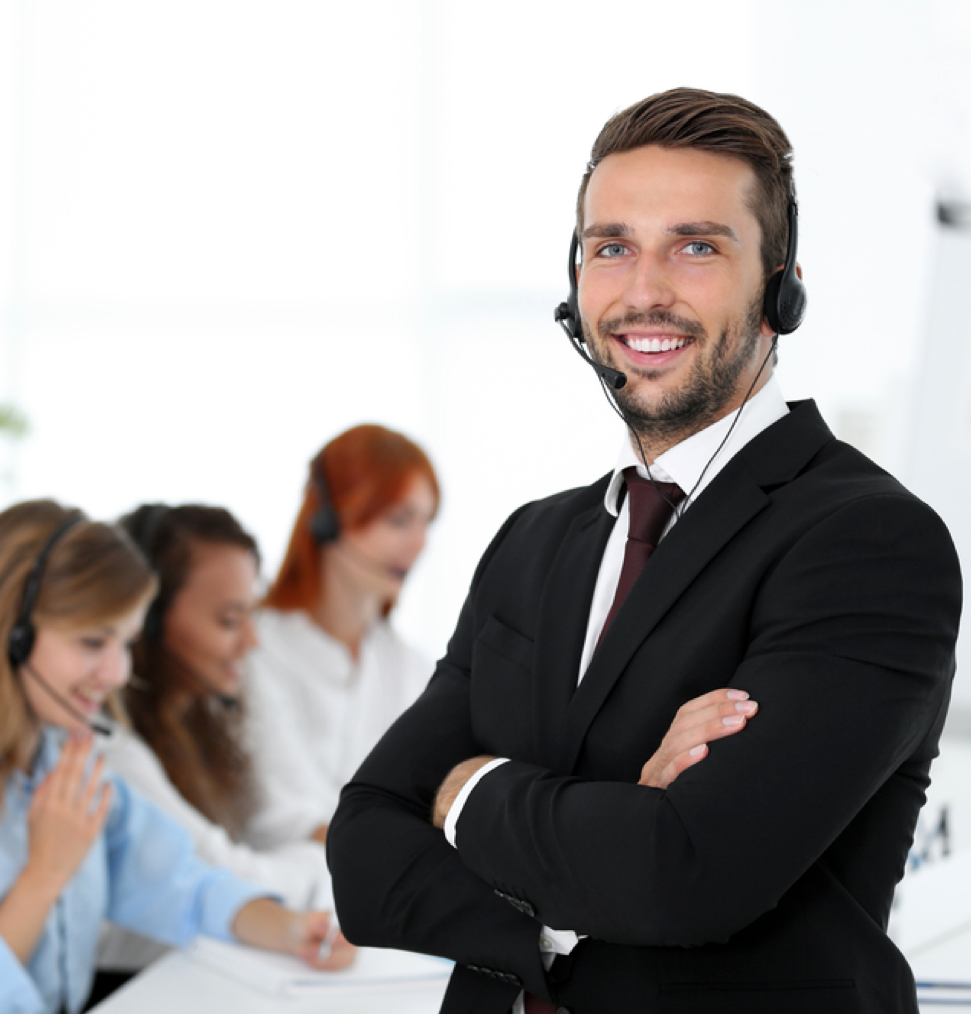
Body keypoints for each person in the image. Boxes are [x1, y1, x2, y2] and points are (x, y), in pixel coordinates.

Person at [327, 87, 962, 1014]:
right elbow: (364, 860)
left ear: (780, 286)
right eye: (611, 246)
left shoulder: (866, 540)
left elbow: (686, 871)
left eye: (697, 246)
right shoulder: (534, 540)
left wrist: (466, 792)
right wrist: (614, 824)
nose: (643, 291)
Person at [0, 500, 352, 1014]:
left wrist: (291, 930)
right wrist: (44, 874)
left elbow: (184, 884)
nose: (115, 673)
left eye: (125, 642)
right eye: (93, 642)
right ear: (11, 636)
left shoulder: (68, 769)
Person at [94, 503, 332, 978]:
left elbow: (279, 817)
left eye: (251, 616)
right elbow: (228, 878)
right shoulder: (110, 751)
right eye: (228, 620)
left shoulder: (208, 709)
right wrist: (321, 861)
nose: (252, 641)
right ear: (149, 622)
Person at [240, 423, 440, 848]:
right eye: (399, 519)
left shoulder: (414, 669)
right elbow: (282, 815)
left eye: (426, 522)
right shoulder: (252, 649)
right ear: (329, 520)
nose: (419, 542)